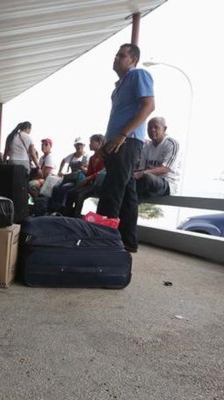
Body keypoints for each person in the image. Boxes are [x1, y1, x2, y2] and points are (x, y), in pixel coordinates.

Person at [96, 43, 155, 253]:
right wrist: (106, 141)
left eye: (121, 55)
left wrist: (122, 135)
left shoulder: (138, 75)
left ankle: (103, 239)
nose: (116, 58)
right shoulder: (118, 87)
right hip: (116, 142)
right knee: (128, 191)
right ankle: (128, 240)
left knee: (113, 189)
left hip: (128, 142)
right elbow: (116, 117)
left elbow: (149, 105)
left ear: (133, 60)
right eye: (116, 55)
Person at [60, 134, 106, 216]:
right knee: (71, 193)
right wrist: (81, 168)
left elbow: (102, 172)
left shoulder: (105, 157)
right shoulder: (92, 158)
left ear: (99, 142)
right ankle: (66, 216)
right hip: (91, 184)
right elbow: (89, 173)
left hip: (99, 185)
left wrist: (88, 178)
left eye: (91, 142)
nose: (89, 144)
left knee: (79, 195)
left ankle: (75, 218)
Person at [135, 117, 181, 199]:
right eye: (150, 128)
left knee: (146, 178)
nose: (152, 130)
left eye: (156, 127)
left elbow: (165, 168)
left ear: (164, 129)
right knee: (128, 180)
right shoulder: (146, 146)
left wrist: (145, 172)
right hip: (149, 182)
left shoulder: (172, 144)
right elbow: (141, 169)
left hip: (167, 183)